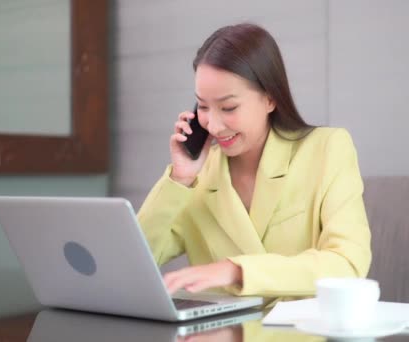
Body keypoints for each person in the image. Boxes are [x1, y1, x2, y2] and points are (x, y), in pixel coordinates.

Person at [137, 23, 371, 306]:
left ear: (270, 98)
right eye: (202, 106)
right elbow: (134, 262)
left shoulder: (327, 149)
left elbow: (348, 264)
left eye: (229, 107)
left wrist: (236, 271)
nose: (213, 124)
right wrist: (180, 179)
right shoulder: (197, 181)